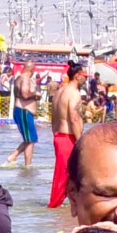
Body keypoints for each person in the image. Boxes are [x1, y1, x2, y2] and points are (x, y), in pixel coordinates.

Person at [48, 60, 87, 208]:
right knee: (65, 176)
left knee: (62, 175)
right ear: (77, 76)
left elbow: (53, 117)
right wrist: (80, 141)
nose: (86, 79)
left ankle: (65, 206)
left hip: (59, 136)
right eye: (85, 75)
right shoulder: (74, 93)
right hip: (69, 138)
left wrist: (55, 135)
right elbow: (74, 118)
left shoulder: (59, 92)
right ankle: (55, 207)